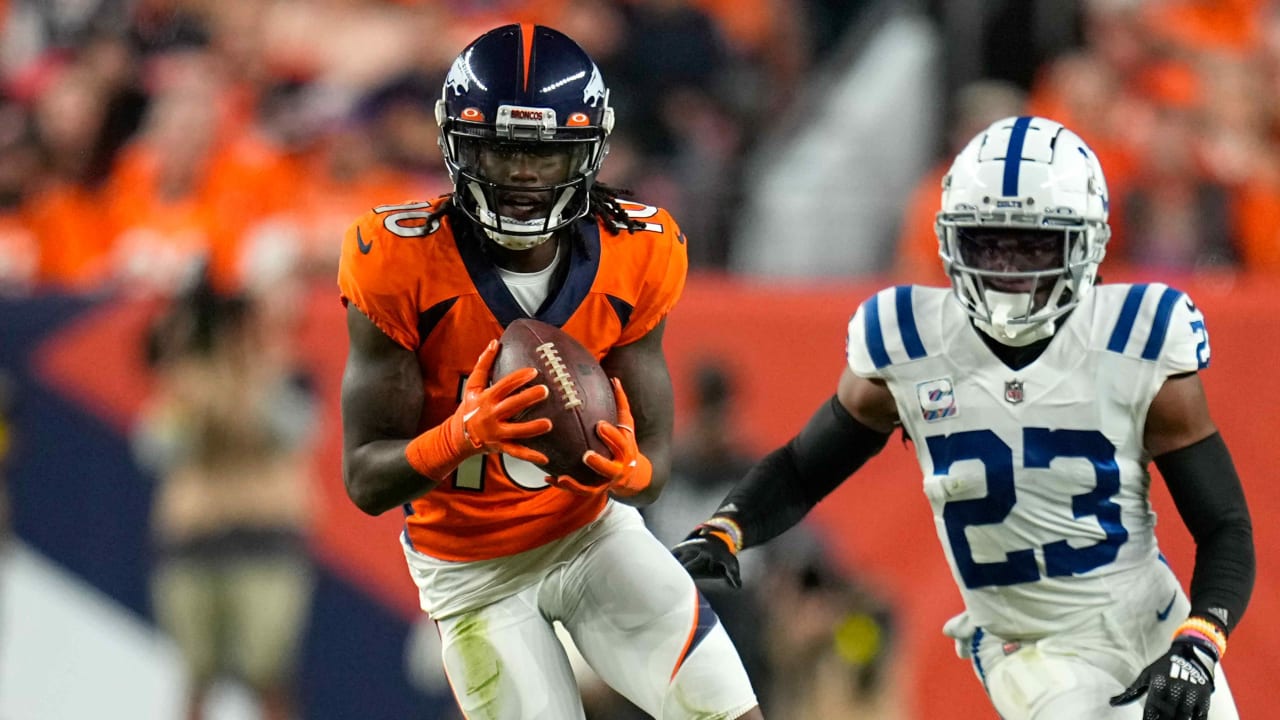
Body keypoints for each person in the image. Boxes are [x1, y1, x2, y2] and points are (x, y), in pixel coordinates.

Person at [674, 116, 1255, 720]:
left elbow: (1224, 525)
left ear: (1087, 242)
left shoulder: (1136, 337)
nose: (1007, 268)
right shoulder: (909, 341)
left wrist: (1200, 638)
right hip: (1029, 643)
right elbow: (803, 468)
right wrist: (728, 527)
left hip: (1151, 615)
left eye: (1032, 245)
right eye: (988, 243)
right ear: (953, 240)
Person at [337, 24, 763, 720]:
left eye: (544, 153)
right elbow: (364, 479)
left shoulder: (640, 249)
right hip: (471, 570)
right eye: (502, 150)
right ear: (456, 145)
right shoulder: (397, 259)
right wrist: (463, 434)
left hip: (592, 534)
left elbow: (652, 470)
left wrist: (629, 473)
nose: (523, 174)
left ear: (590, 151)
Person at [134, 276, 318, 720]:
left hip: (266, 540)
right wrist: (190, 386)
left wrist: (256, 374)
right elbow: (156, 449)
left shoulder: (280, 372)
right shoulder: (188, 380)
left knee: (268, 673)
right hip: (195, 541)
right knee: (196, 675)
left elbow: (298, 433)